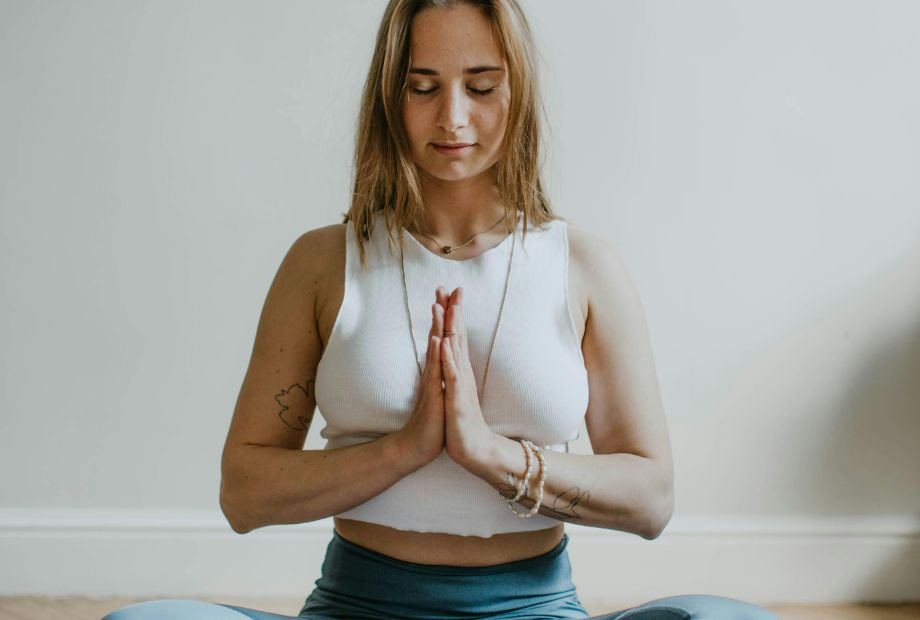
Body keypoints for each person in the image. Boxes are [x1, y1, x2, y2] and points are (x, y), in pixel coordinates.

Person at [104, 1, 778, 618]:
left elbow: (651, 500)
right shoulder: (320, 263)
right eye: (423, 88)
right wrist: (405, 450)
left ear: (517, 92)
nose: (452, 117)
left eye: (481, 87)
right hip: (356, 606)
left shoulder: (584, 266)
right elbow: (244, 493)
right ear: (390, 100)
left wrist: (488, 453)